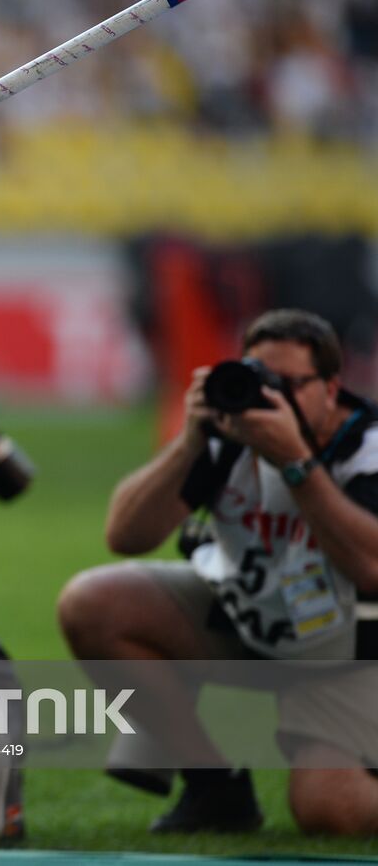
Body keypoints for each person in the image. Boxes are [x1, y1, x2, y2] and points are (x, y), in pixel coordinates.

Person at [57, 309, 378, 835]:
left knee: (329, 808)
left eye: (289, 385)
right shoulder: (228, 437)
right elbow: (126, 535)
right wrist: (189, 444)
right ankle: (215, 788)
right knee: (92, 604)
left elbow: (371, 567)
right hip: (256, 617)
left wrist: (297, 463)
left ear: (331, 388)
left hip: (354, 649)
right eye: (259, 380)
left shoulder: (367, 452)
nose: (271, 398)